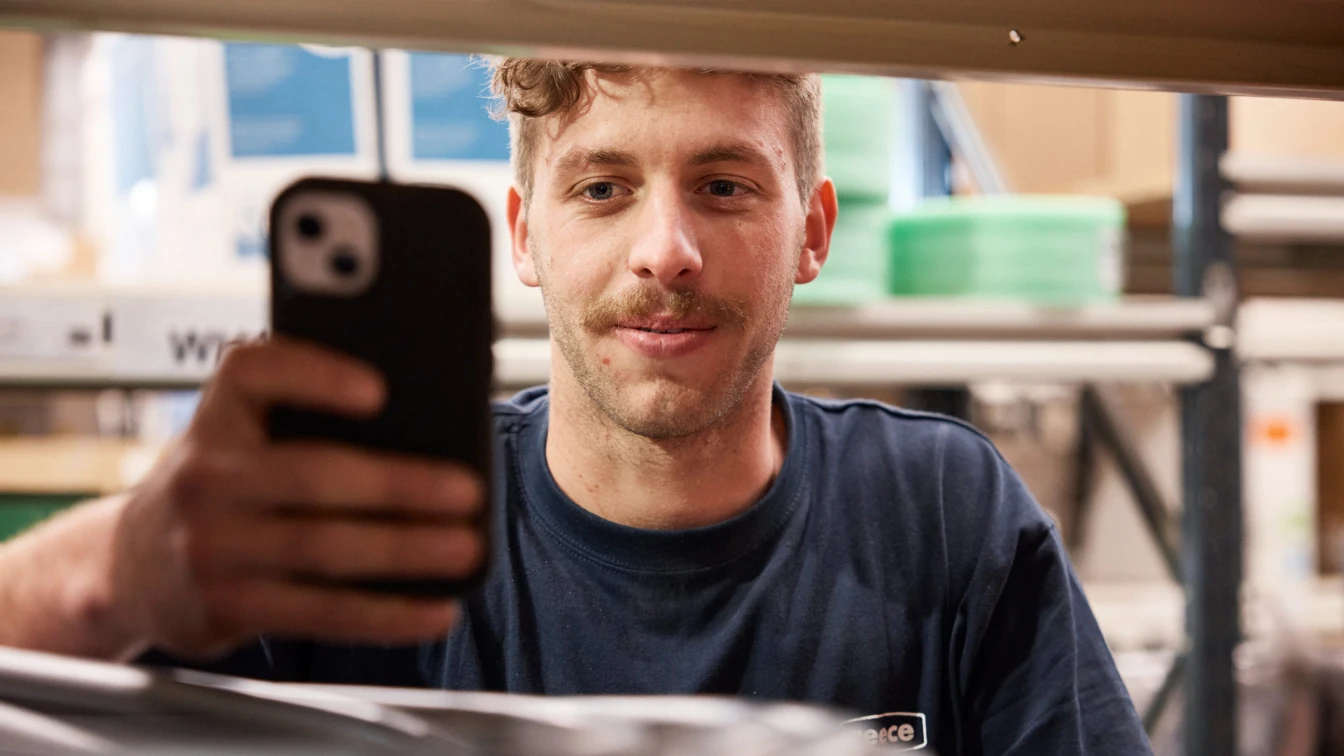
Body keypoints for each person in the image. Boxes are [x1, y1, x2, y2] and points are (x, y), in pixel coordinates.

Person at [0, 58, 1150, 754]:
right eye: (603, 188)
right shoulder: (367, 535)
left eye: (724, 186)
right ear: (525, 236)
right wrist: (105, 574)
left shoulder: (944, 513)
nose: (667, 250)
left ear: (812, 229)